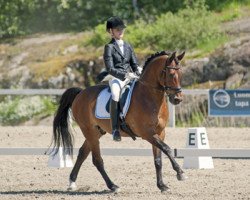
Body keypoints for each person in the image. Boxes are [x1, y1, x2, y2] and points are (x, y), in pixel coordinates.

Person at [103, 16, 140, 141]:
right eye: (117, 29)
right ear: (111, 31)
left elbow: (134, 64)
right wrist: (124, 75)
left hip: (131, 76)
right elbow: (110, 68)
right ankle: (114, 129)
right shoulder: (109, 47)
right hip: (116, 78)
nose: (121, 31)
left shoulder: (128, 46)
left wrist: (138, 71)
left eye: (122, 29)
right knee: (115, 94)